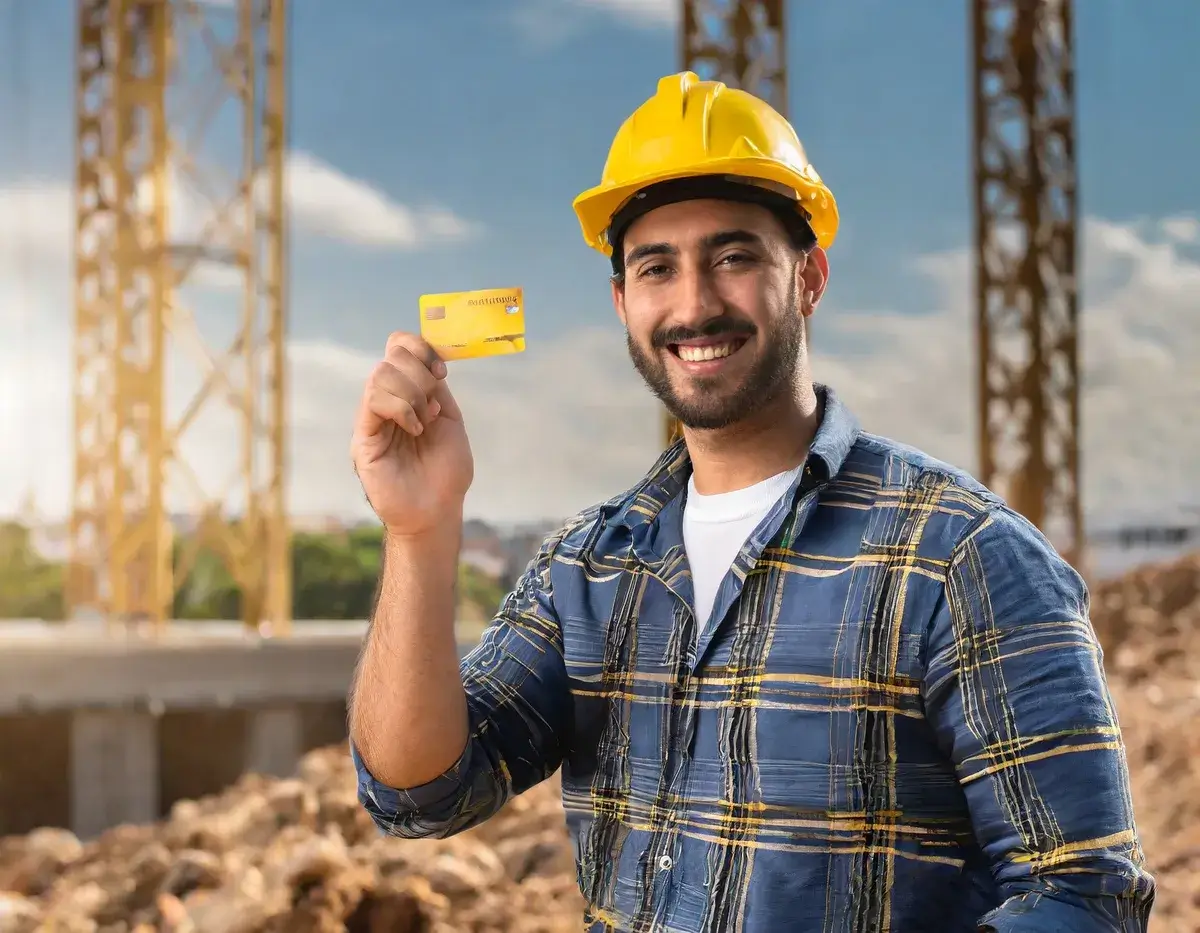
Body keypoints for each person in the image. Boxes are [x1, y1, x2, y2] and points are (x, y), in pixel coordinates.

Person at [347, 71, 1155, 931]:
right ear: (623, 301)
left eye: (734, 257)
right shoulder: (589, 565)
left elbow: (1083, 896)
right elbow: (418, 791)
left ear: (809, 276)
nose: (694, 304)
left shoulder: (961, 555)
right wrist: (419, 530)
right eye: (658, 267)